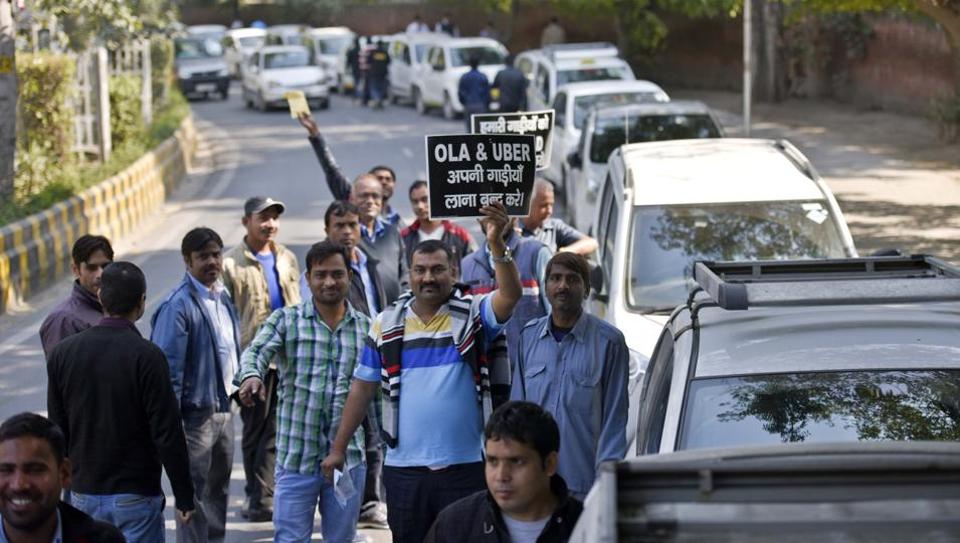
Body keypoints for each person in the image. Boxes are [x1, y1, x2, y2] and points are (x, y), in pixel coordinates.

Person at [321, 202, 523, 543]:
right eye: (420, 270)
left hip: (467, 467)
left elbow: (511, 295)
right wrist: (338, 448)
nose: (428, 277)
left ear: (454, 271)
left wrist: (496, 245)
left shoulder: (474, 314)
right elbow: (362, 388)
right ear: (409, 274)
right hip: (404, 472)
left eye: (437, 269)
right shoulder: (386, 323)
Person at [47, 261, 195, 542]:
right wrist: (184, 495)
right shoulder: (147, 357)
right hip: (136, 497)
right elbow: (167, 433)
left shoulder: (63, 354)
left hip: (83, 494)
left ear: (101, 296)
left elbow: (57, 431)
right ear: (141, 303)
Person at [236, 241, 371, 543]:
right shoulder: (286, 321)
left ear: (349, 276)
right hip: (297, 460)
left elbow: (377, 398)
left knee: (341, 539)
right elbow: (255, 352)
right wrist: (251, 377)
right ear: (307, 279)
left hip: (347, 462)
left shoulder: (366, 329)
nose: (329, 282)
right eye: (320, 275)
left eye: (337, 274)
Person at [511, 252, 629, 500]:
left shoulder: (610, 343)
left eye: (572, 279)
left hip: (584, 485)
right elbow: (518, 412)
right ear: (546, 287)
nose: (562, 285)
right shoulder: (528, 337)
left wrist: (605, 484)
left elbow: (614, 420)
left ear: (586, 289)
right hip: (536, 482)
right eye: (555, 278)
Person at [151, 227, 241, 543]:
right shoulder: (178, 306)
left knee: (218, 491)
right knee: (194, 498)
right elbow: (167, 374)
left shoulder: (222, 296)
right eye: (203, 256)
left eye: (216, 254)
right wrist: (170, 425)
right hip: (193, 420)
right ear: (187, 261)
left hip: (225, 409)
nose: (212, 262)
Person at [221, 197, 302, 523]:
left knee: (281, 429)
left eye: (273, 218)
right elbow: (225, 318)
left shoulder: (287, 257)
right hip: (253, 361)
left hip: (289, 358)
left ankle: (268, 494)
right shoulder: (231, 264)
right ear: (246, 222)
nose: (269, 224)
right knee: (256, 430)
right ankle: (258, 497)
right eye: (262, 218)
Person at [423, 401, 583, 543]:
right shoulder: (454, 526)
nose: (501, 476)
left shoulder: (587, 525)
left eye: (516, 461)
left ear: (549, 464)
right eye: (492, 461)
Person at [320, 200, 388, 530]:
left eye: (352, 225)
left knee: (376, 435)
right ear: (327, 231)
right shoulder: (324, 271)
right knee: (347, 438)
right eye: (339, 226)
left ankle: (370, 501)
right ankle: (353, 506)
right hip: (346, 367)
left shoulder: (368, 263)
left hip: (378, 358)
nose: (347, 232)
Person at [298, 113, 408, 302]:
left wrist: (405, 305)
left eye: (375, 196)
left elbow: (405, 273)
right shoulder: (344, 237)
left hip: (392, 322)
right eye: (363, 196)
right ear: (351, 197)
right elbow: (332, 170)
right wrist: (315, 135)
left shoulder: (393, 231)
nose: (370, 201)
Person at [0, 413, 125, 543]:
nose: (19, 485)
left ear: (64, 473)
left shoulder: (104, 540)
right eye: (5, 470)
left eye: (35, 470)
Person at [460, 217, 551, 365]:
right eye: (486, 208)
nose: (493, 214)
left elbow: (557, 317)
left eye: (500, 206)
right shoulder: (467, 265)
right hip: (487, 377)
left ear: (515, 214)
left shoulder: (537, 253)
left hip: (533, 373)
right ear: (477, 216)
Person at [39, 235, 113, 358]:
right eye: (91, 268)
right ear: (76, 269)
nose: (100, 274)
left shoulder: (114, 308)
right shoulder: (63, 320)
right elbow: (62, 372)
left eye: (105, 266)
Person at [400, 180, 476, 269]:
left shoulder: (460, 235)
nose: (420, 206)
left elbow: (474, 268)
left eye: (425, 199)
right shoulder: (404, 237)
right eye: (415, 201)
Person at [519, 179, 598, 255]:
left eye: (551, 205)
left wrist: (562, 254)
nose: (550, 211)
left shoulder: (554, 226)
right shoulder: (512, 229)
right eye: (543, 206)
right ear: (528, 204)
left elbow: (591, 243)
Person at [458, 56, 491, 132]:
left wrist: (464, 102)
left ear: (469, 64)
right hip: (480, 105)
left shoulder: (464, 77)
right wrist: (487, 105)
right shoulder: (483, 76)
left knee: (470, 129)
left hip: (469, 105)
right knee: (480, 129)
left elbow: (461, 92)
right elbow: (487, 93)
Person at [368, 40, 390, 110]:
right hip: (383, 73)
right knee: (381, 88)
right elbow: (388, 61)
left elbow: (369, 61)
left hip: (374, 73)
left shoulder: (373, 53)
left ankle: (377, 99)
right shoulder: (385, 52)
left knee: (374, 88)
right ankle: (379, 100)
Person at [346, 37, 363, 103]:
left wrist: (347, 68)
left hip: (354, 69)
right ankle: (358, 95)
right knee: (360, 83)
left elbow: (348, 61)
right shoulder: (361, 50)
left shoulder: (352, 51)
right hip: (362, 69)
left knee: (356, 83)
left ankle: (356, 96)